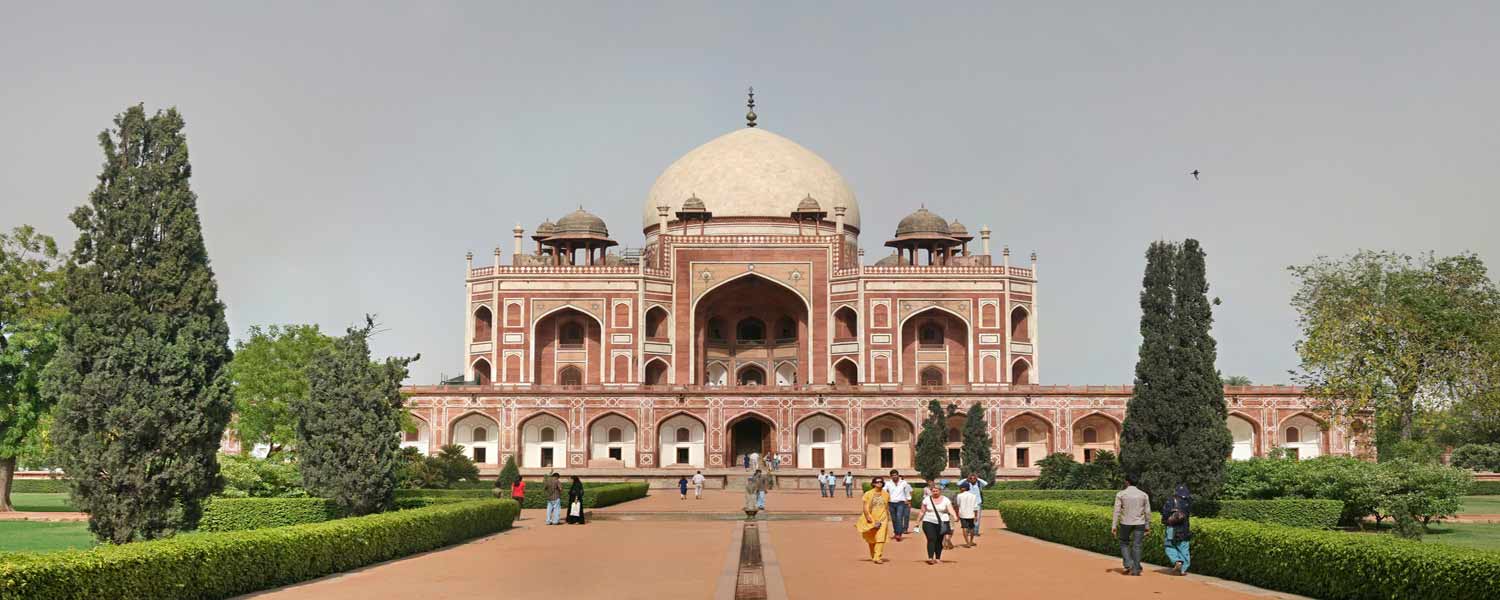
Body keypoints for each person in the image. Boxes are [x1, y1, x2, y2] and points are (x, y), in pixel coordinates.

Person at [1111, 475, 1150, 576]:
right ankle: (1136, 569)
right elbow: (1147, 512)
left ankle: (1128, 564)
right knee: (1137, 545)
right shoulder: (1144, 495)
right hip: (1140, 523)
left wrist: (1114, 526)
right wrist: (1147, 526)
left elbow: (1116, 511)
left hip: (1125, 522)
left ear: (1127, 482)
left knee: (1124, 543)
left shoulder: (1121, 494)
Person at [914, 485, 960, 564]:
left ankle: (938, 558)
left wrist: (955, 516)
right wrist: (917, 522)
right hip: (928, 521)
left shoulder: (946, 500)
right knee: (931, 538)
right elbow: (922, 511)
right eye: (933, 491)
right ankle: (930, 557)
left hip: (942, 523)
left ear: (940, 491)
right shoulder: (927, 499)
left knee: (939, 540)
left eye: (936, 491)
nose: (935, 492)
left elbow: (950, 509)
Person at [856, 476, 893, 564]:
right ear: (873, 484)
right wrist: (868, 517)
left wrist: (888, 517)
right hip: (871, 518)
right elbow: (865, 507)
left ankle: (877, 557)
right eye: (877, 482)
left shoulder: (886, 494)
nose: (879, 483)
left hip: (883, 518)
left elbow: (886, 507)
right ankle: (873, 555)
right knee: (872, 538)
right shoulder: (868, 494)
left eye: (881, 482)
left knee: (880, 538)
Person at [1163, 484, 1193, 576]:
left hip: (1172, 529)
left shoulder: (1170, 502)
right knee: (1184, 548)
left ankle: (1177, 561)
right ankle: (1183, 569)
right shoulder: (1188, 503)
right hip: (1184, 530)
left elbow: (1164, 515)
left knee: (1169, 546)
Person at [885, 469, 913, 541]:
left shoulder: (903, 482)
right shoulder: (888, 483)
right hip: (891, 503)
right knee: (894, 519)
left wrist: (909, 500)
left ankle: (899, 534)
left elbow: (907, 491)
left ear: (898, 475)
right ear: (890, 476)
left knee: (899, 517)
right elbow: (884, 491)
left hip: (901, 503)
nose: (894, 476)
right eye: (893, 475)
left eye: (895, 475)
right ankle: (896, 532)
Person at [956, 482, 980, 548]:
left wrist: (957, 515)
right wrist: (976, 515)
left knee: (964, 527)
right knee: (971, 527)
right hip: (971, 514)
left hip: (962, 514)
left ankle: (967, 542)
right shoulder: (973, 496)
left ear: (964, 488)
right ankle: (971, 541)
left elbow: (958, 505)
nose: (960, 489)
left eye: (961, 488)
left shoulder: (959, 495)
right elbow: (976, 507)